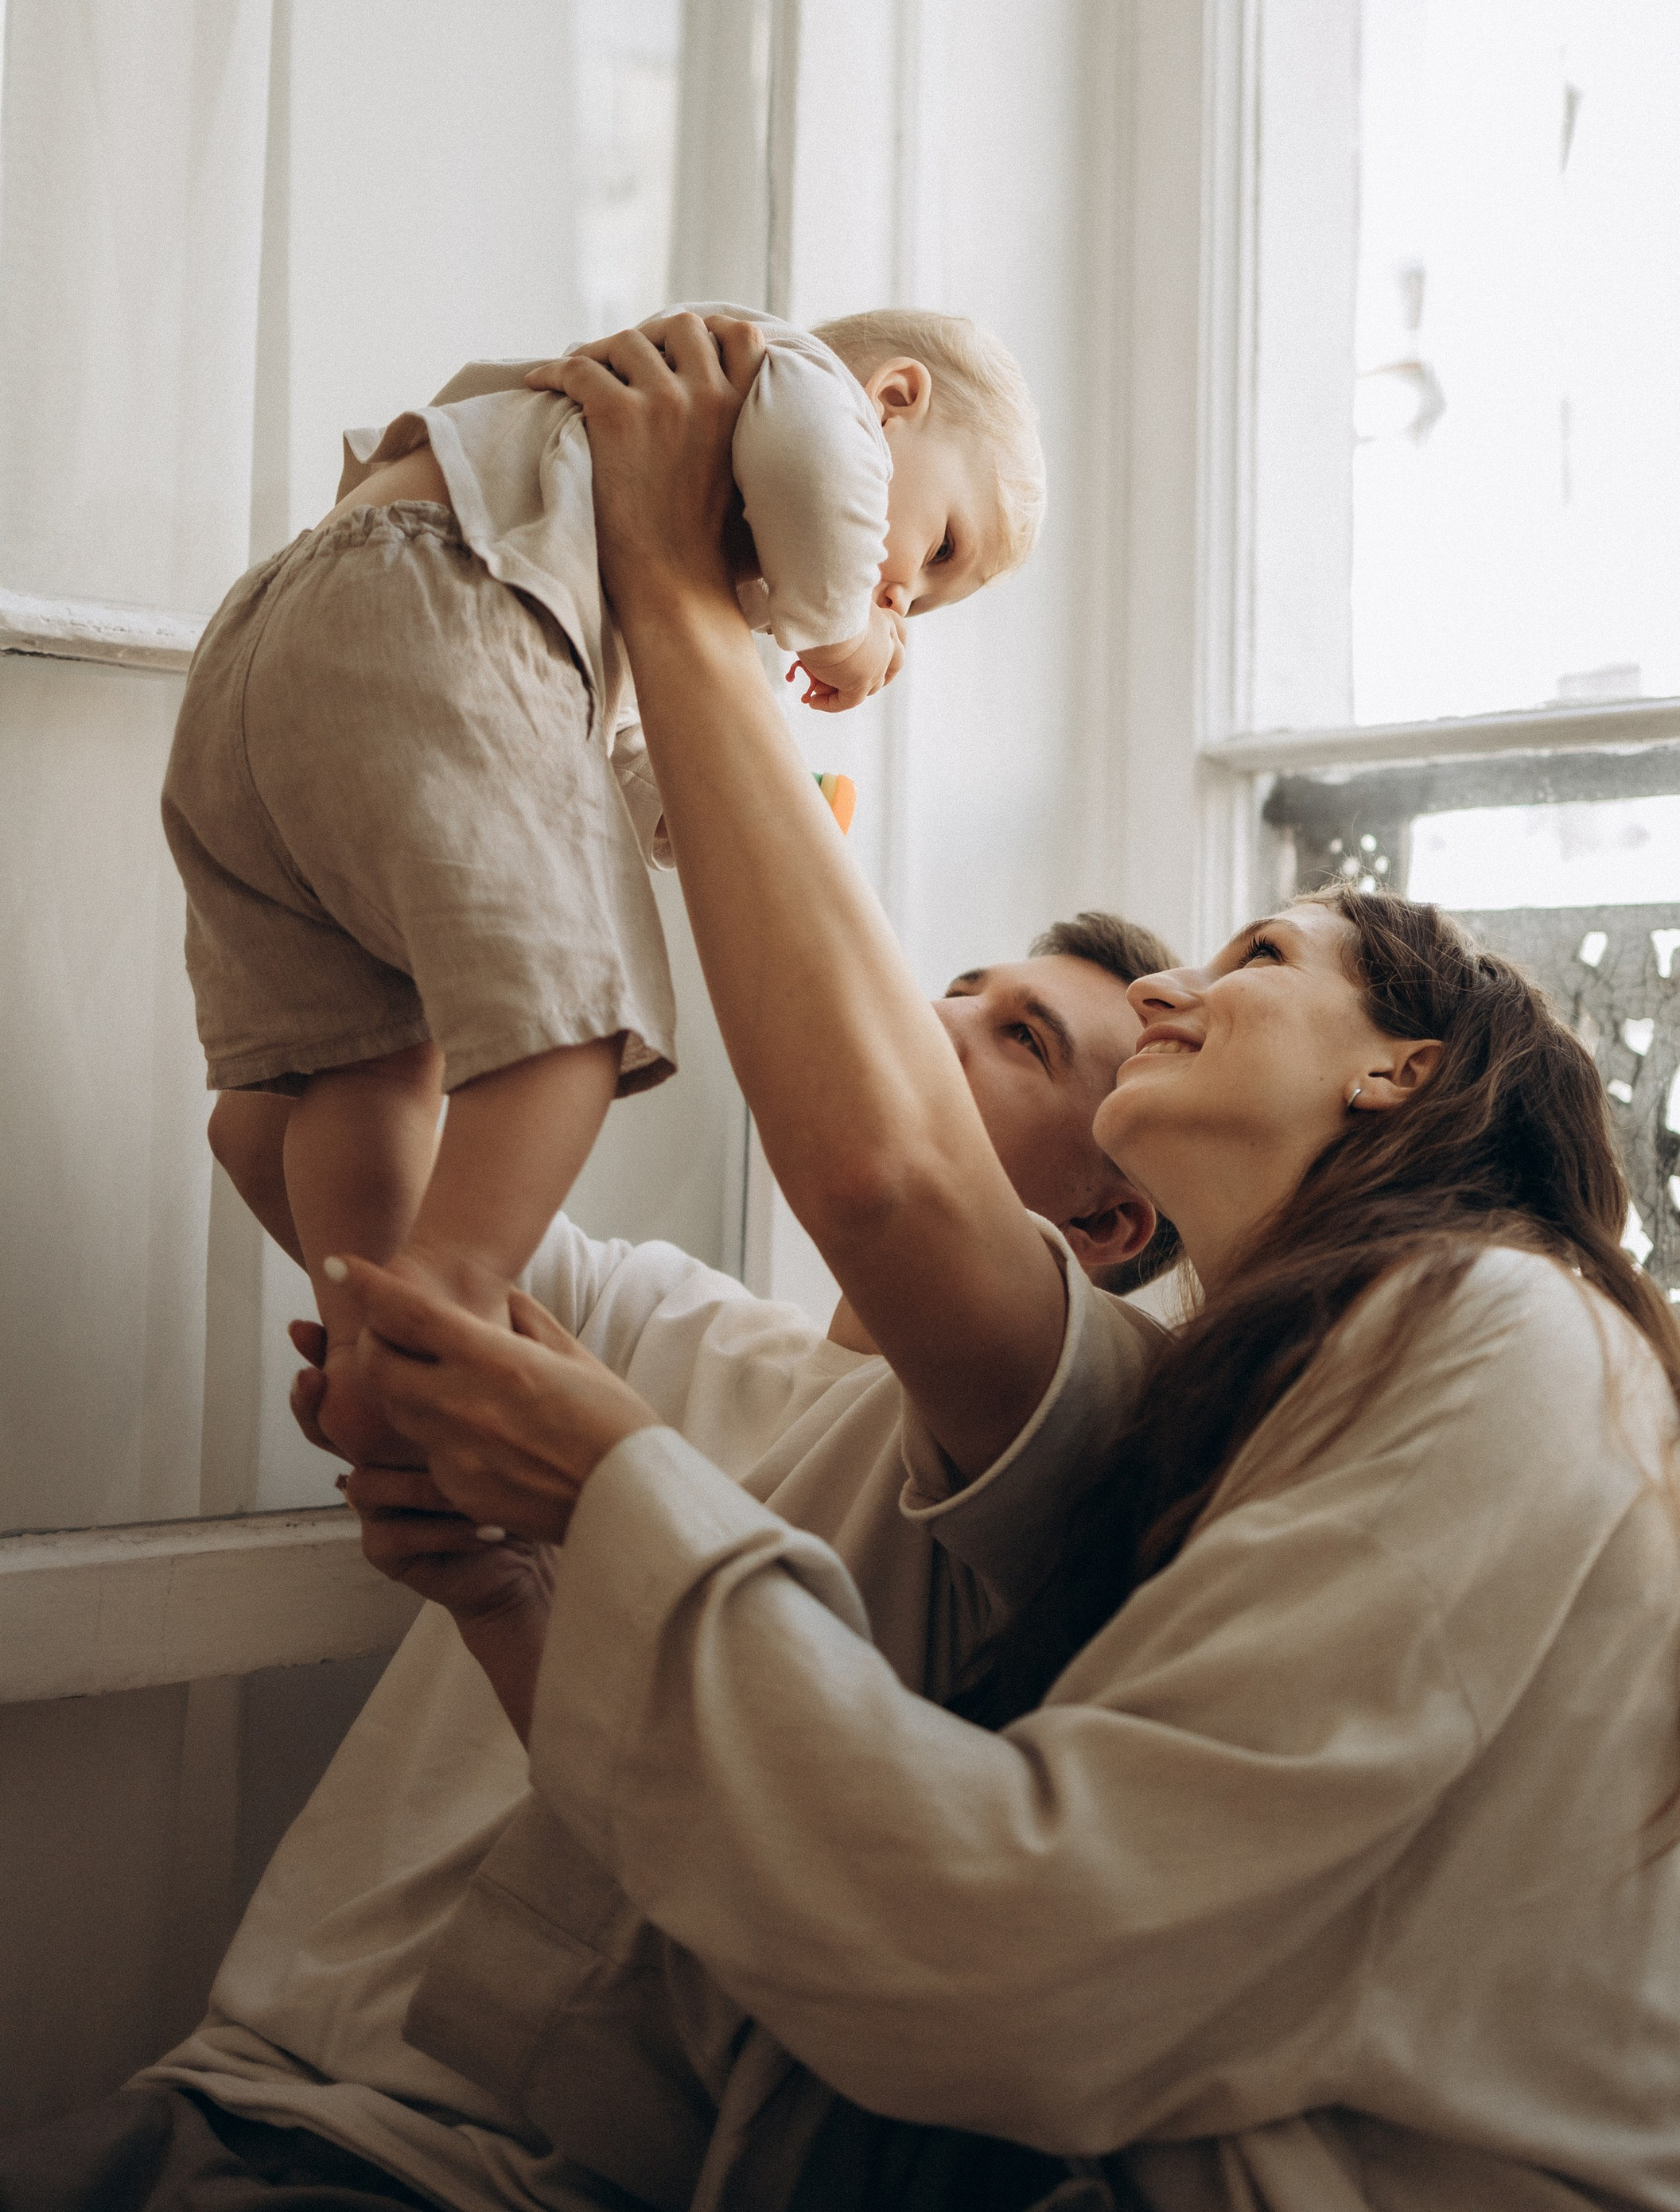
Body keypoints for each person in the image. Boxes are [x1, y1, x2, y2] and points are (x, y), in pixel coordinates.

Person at [165, 313, 1680, 2212]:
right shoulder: (1214, 1419)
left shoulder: (1487, 1338)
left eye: (1252, 955)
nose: (1175, 990)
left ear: (1396, 1077)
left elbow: (895, 1190)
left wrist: (671, 589)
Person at [0, 909, 1172, 2212]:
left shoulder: (1064, 1475)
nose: (933, 1025)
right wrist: (461, 842)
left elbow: (894, 1184)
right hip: (206, 2090)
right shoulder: (655, 1317)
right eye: (958, 991)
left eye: (1023, 1042)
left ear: (1109, 1224)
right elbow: (269, 1126)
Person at [160, 304, 1045, 1468]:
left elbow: (594, 714)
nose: (906, 602)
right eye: (933, 555)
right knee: (575, 1027)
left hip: (272, 653)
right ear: (896, 398)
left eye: (925, 603)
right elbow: (828, 512)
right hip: (436, 597)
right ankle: (450, 1302)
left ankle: (373, 1330)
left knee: (371, 1059)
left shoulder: (648, 485)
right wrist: (846, 626)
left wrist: (685, 806)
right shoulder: (791, 386)